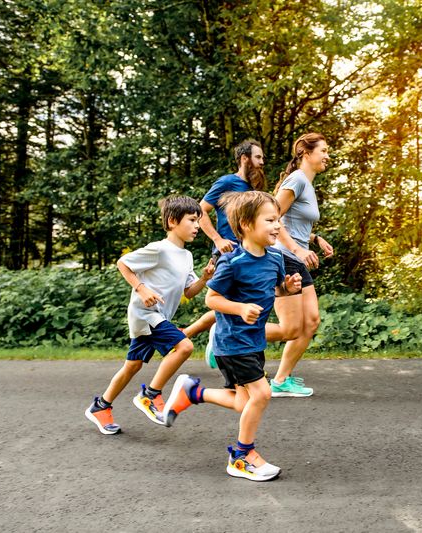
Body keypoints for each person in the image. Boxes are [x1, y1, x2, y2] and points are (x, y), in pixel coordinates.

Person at [161, 191, 302, 481]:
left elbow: (275, 290)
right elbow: (211, 299)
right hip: (232, 342)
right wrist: (239, 308)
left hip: (253, 342)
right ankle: (241, 455)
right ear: (247, 225)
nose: (277, 226)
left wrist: (288, 287)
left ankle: (193, 392)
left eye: (279, 220)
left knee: (242, 402)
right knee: (262, 393)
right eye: (270, 220)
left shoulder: (275, 258)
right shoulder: (232, 262)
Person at [84, 196, 215, 435]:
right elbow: (123, 263)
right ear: (174, 221)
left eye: (198, 221)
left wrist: (205, 279)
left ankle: (100, 407)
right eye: (193, 220)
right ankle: (150, 395)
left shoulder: (186, 256)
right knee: (184, 346)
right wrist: (141, 288)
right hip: (146, 314)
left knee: (132, 366)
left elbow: (189, 291)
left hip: (157, 316)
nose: (197, 226)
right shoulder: (159, 249)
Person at [185, 140, 298, 365]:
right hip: (231, 253)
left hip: (253, 253)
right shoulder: (228, 182)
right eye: (258, 157)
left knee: (245, 302)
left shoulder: (253, 192)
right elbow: (200, 210)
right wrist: (218, 239)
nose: (262, 162)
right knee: (224, 301)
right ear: (244, 158)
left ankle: (226, 351)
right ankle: (205, 342)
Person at [269, 132, 333, 398]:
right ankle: (226, 335)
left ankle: (281, 380)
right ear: (306, 154)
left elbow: (294, 224)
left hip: (296, 257)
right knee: (291, 327)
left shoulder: (307, 183)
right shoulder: (296, 179)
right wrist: (296, 248)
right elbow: (272, 218)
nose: (328, 156)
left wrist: (314, 238)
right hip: (284, 257)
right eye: (324, 151)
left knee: (311, 322)